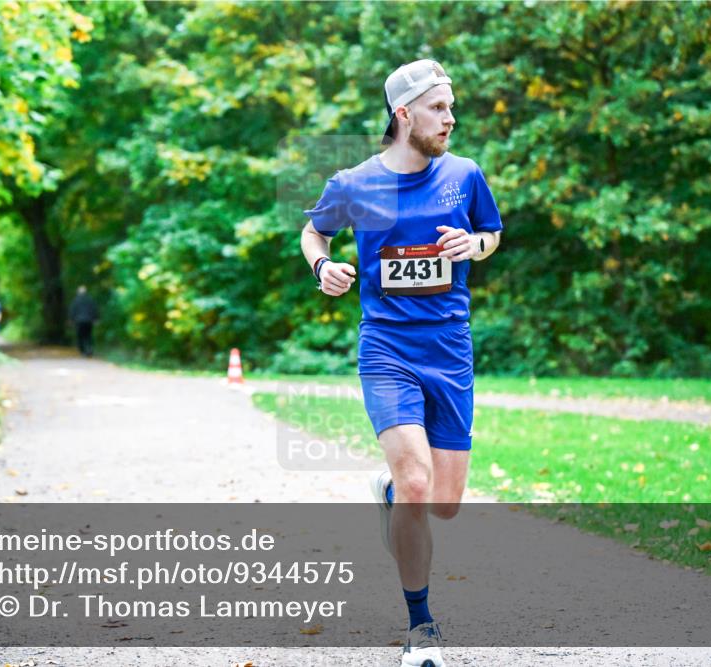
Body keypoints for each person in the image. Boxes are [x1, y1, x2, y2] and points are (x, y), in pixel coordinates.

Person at [300, 59, 503, 667]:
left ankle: (389, 492)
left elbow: (491, 233)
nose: (450, 118)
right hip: (386, 349)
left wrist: (475, 244)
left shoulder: (465, 175)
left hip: (450, 349)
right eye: (439, 107)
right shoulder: (354, 183)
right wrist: (323, 266)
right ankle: (422, 627)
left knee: (444, 503)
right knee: (418, 484)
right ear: (404, 113)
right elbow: (314, 233)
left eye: (451, 107)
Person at [68, 285, 99, 357]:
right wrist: (96, 319)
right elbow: (94, 309)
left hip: (79, 321)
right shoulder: (90, 299)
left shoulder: (75, 300)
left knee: (80, 336)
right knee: (88, 335)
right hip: (88, 321)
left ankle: (83, 351)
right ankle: (89, 349)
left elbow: (72, 310)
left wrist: (71, 320)